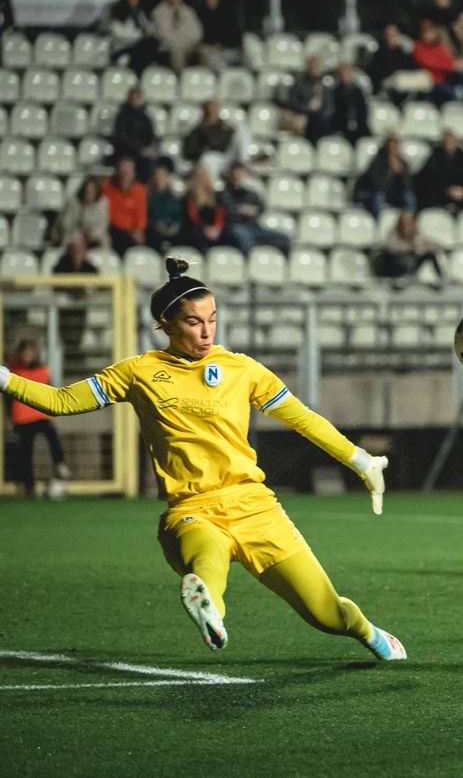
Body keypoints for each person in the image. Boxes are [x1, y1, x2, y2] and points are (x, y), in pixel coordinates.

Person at [0, 258, 404, 659]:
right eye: (194, 321)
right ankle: (210, 612)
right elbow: (59, 400)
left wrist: (361, 461)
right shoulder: (139, 372)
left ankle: (367, 631)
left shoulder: (241, 368)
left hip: (255, 507)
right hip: (192, 510)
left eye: (212, 318)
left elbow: (303, 419)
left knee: (327, 614)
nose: (207, 330)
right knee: (207, 562)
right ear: (165, 324)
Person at [7, 340, 70, 499]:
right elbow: (8, 400)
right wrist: (11, 417)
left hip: (41, 415)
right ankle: (29, 486)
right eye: (25, 352)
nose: (28, 356)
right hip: (23, 419)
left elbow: (52, 392)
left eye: (31, 352)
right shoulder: (14, 372)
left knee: (53, 439)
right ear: (20, 354)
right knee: (25, 453)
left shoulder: (42, 371)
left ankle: (60, 465)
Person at [219, 161, 292, 253]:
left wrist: (242, 210)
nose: (237, 175)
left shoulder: (251, 193)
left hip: (254, 227)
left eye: (240, 172)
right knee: (245, 241)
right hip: (234, 227)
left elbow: (259, 210)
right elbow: (230, 213)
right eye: (235, 172)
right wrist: (244, 210)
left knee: (285, 239)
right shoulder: (224, 193)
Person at [182, 99, 252, 176]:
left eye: (214, 108)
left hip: (224, 161)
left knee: (209, 158)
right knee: (206, 159)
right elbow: (188, 152)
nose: (211, 111)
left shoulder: (226, 128)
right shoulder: (196, 130)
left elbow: (222, 146)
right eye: (208, 109)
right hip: (199, 163)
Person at [354, 135, 417, 219]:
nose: (394, 149)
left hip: (392, 194)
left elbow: (407, 185)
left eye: (396, 146)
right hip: (372, 193)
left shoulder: (403, 164)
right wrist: (390, 172)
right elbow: (378, 186)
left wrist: (400, 174)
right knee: (379, 197)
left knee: (408, 196)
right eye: (391, 147)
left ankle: (408, 221)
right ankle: (376, 222)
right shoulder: (378, 162)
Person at [101, 0, 159, 72]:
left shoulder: (139, 13)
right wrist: (139, 35)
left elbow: (146, 26)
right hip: (122, 48)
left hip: (137, 47)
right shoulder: (118, 11)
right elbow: (118, 34)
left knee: (153, 43)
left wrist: (152, 29)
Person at [278, 55, 334, 143]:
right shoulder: (299, 83)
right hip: (303, 118)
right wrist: (307, 109)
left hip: (321, 121)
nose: (315, 68)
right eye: (312, 65)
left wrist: (321, 114)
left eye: (317, 65)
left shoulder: (325, 86)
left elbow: (330, 107)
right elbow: (292, 103)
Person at [377, 209, 444, 281]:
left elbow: (427, 242)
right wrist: (409, 247)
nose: (408, 224)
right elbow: (389, 246)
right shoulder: (393, 233)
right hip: (396, 264)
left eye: (410, 221)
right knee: (389, 255)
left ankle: (441, 279)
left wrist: (435, 246)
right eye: (405, 221)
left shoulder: (416, 233)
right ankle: (396, 278)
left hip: (410, 263)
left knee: (430, 254)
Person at [151, 0, 204, 72]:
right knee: (177, 51)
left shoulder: (188, 11)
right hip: (169, 47)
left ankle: (203, 82)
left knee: (204, 53)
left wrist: (185, 41)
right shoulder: (158, 11)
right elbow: (163, 34)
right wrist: (180, 41)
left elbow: (198, 32)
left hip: (189, 45)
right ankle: (181, 81)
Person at [103, 156, 148, 255]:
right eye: (122, 171)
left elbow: (141, 213)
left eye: (128, 171)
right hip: (116, 230)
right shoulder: (108, 189)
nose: (125, 174)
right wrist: (128, 230)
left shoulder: (139, 190)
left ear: (133, 173)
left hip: (134, 231)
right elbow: (109, 215)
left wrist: (138, 229)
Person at [414, 130, 463, 208]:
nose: (449, 144)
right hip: (440, 191)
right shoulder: (435, 157)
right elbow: (432, 178)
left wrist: (462, 189)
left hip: (460, 191)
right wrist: (447, 190)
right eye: (447, 142)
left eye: (452, 141)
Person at [111, 87, 157, 180]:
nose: (135, 100)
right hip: (125, 152)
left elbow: (150, 136)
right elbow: (121, 138)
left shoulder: (145, 118)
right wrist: (139, 149)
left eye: (138, 98)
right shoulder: (122, 116)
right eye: (133, 98)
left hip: (142, 154)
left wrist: (148, 148)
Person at [195, 0, 242, 71]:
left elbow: (236, 37)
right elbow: (200, 37)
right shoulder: (202, 15)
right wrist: (211, 46)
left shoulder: (228, 14)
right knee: (213, 58)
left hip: (229, 50)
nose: (211, 0)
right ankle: (222, 80)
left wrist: (222, 45)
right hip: (211, 51)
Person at [56, 177, 109, 249]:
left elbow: (103, 224)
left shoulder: (103, 202)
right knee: (69, 239)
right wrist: (80, 233)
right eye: (87, 192)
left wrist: (93, 233)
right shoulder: (73, 202)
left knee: (104, 239)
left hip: (93, 236)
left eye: (92, 193)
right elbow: (65, 224)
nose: (89, 196)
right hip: (74, 234)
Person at [146, 158, 186, 250]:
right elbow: (148, 218)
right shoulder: (149, 198)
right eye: (158, 176)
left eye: (163, 176)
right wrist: (159, 226)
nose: (160, 179)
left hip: (172, 230)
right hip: (155, 231)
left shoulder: (174, 199)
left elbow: (179, 218)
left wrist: (173, 228)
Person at [185, 165, 227, 250]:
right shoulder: (190, 196)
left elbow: (220, 214)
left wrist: (217, 228)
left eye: (205, 174)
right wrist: (205, 229)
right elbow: (192, 216)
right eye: (200, 175)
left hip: (215, 229)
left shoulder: (215, 196)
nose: (203, 178)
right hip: (198, 229)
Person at [331, 63, 369, 143]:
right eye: (343, 74)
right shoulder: (336, 92)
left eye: (347, 74)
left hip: (359, 124)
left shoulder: (358, 91)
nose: (345, 76)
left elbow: (363, 109)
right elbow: (335, 110)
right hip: (342, 125)